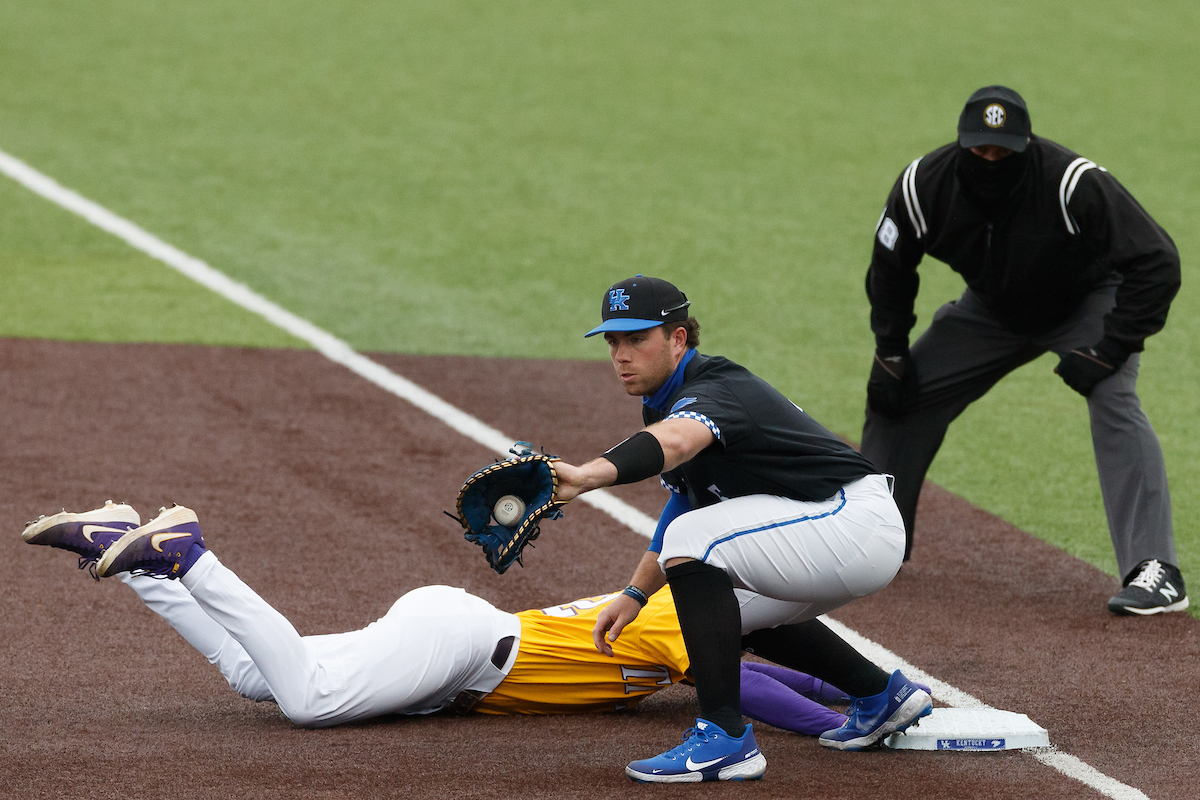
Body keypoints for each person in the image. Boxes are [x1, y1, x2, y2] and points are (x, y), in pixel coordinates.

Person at [20, 500, 852, 735]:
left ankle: (131, 552)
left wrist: (847, 693)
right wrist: (839, 724)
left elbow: (757, 669)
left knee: (255, 677)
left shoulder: (688, 628)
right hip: (460, 647)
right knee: (307, 702)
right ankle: (191, 555)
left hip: (451, 647)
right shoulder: (684, 616)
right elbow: (744, 687)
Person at [548, 275, 931, 783]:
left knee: (695, 547)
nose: (621, 354)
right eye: (613, 342)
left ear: (679, 338)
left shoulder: (715, 388)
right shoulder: (662, 402)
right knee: (721, 616)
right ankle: (882, 694)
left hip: (854, 520)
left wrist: (587, 475)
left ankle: (724, 737)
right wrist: (636, 592)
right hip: (833, 529)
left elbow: (678, 445)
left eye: (637, 339)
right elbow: (686, 500)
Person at [860, 85, 1187, 616]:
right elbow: (890, 269)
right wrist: (891, 351)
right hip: (989, 311)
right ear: (962, 144)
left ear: (1025, 145)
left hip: (1086, 304)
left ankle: (1157, 570)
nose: (991, 162)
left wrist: (1110, 347)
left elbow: (1157, 260)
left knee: (1114, 400)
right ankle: (872, 543)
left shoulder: (1070, 182)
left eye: (1004, 153)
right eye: (981, 151)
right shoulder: (925, 185)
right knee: (899, 392)